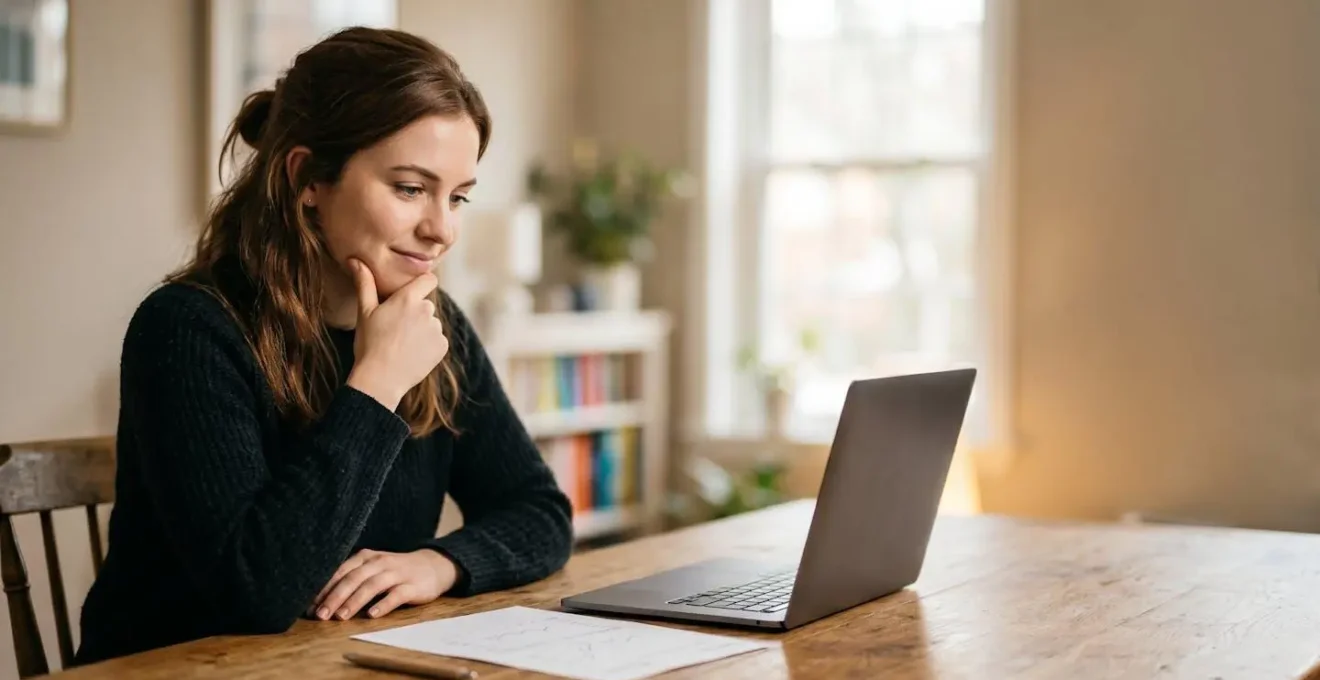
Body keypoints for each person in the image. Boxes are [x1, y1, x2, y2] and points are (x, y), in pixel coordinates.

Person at [74, 27, 573, 665]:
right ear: (308, 177)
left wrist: (442, 563)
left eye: (459, 197)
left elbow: (540, 512)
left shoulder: (432, 325)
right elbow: (256, 591)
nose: (441, 228)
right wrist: (376, 384)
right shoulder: (187, 329)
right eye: (410, 188)